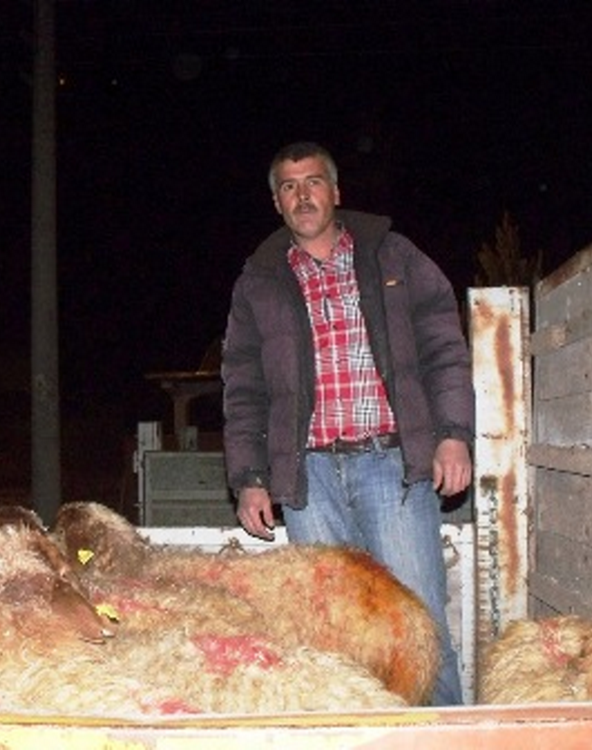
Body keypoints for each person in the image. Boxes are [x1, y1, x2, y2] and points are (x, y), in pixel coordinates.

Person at [221, 141, 474, 706]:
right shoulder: (259, 281)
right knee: (331, 634)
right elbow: (244, 388)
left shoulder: (393, 256)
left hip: (393, 466)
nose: (302, 195)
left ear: (335, 192)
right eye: (289, 187)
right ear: (276, 202)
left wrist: (453, 435)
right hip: (308, 480)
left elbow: (444, 349)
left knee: (418, 627)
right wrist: (250, 478)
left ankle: (446, 740)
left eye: (313, 182)